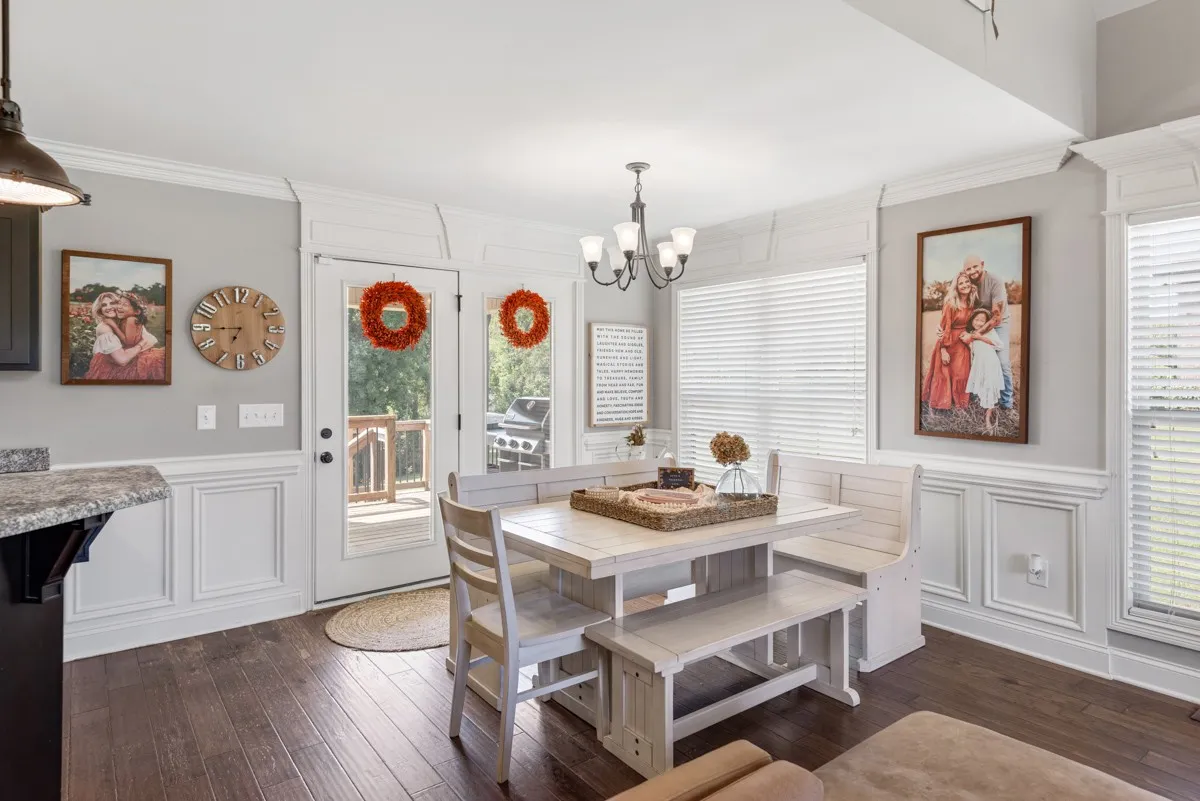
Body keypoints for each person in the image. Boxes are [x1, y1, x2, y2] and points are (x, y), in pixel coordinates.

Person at [962, 254, 1013, 409]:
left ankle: (1006, 403)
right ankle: (978, 396)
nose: (972, 271)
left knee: (1002, 362)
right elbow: (955, 302)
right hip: (977, 324)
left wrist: (975, 335)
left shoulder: (995, 281)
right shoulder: (967, 282)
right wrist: (942, 327)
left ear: (982, 264)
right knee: (975, 359)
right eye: (968, 269)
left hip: (998, 324)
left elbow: (996, 317)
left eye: (975, 267)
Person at [922, 271, 977, 412]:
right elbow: (944, 327)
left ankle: (960, 405)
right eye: (961, 283)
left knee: (961, 374)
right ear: (956, 287)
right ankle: (940, 407)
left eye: (967, 281)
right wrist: (943, 350)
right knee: (944, 374)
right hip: (948, 342)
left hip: (962, 342)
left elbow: (973, 324)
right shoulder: (951, 304)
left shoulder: (971, 302)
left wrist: (970, 335)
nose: (965, 285)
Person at [83, 291, 165, 381]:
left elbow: (151, 339)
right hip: (113, 367)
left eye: (113, 303)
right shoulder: (105, 328)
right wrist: (142, 344)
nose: (109, 307)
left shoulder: (125, 320)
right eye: (104, 305)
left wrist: (143, 342)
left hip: (132, 358)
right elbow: (122, 360)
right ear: (100, 310)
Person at [964, 308, 1003, 434]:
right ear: (972, 320)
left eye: (982, 321)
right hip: (979, 365)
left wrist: (981, 337)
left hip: (990, 363)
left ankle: (988, 418)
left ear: (986, 323)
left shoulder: (989, 331)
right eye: (976, 319)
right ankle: (982, 408)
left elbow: (999, 345)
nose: (979, 323)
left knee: (989, 389)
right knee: (982, 388)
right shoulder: (970, 333)